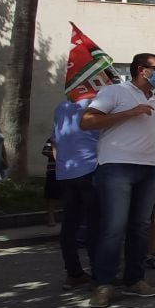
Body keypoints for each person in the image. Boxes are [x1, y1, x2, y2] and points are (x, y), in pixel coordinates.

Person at [81, 53, 155, 308]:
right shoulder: (115, 92)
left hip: (148, 169)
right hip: (116, 166)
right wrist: (130, 112)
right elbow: (87, 121)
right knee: (114, 226)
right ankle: (104, 284)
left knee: (140, 226)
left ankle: (135, 280)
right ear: (142, 70)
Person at [53, 97, 100, 290]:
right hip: (89, 169)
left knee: (69, 224)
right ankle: (100, 275)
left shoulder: (61, 106)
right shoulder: (96, 105)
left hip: (65, 172)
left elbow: (55, 140)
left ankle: (73, 273)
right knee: (95, 224)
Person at [42, 137, 61, 226]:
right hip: (53, 170)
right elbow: (45, 151)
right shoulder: (52, 139)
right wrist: (57, 154)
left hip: (68, 170)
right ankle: (51, 218)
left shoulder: (72, 137)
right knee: (51, 195)